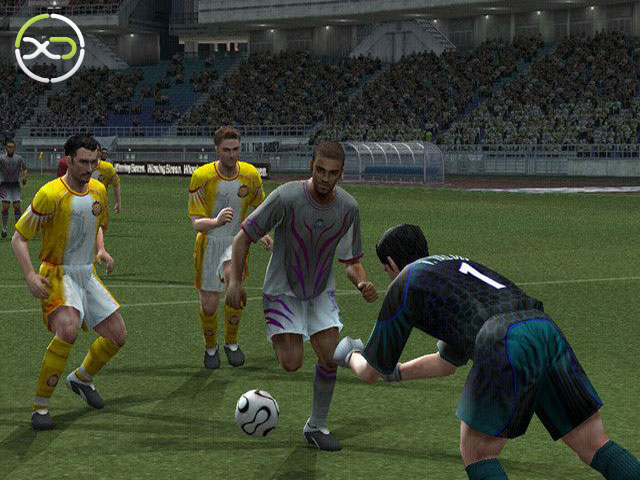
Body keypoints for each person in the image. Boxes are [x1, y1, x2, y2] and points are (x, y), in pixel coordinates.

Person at [334, 224, 640, 479]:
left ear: (390, 263)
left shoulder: (406, 281)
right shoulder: (453, 267)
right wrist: (398, 373)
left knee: (478, 453)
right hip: (543, 328)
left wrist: (349, 354)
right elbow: (446, 363)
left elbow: (370, 372)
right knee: (593, 443)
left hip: (501, 338)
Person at [227, 140, 378, 451]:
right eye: (320, 170)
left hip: (321, 290)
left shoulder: (348, 208)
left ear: (341, 174)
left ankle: (316, 426)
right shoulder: (286, 196)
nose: (325, 178)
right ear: (311, 166)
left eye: (332, 173)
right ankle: (347, 348)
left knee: (328, 358)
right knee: (292, 363)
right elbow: (243, 238)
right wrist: (235, 282)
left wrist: (362, 282)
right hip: (282, 290)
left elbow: (351, 262)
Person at [11, 134, 127, 431]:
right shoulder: (50, 194)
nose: (89, 168)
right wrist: (30, 275)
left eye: (93, 162)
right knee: (68, 328)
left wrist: (101, 249)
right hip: (57, 272)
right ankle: (40, 406)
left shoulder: (98, 190)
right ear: (70, 160)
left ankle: (82, 379)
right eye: (83, 162)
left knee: (117, 336)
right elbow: (19, 238)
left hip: (86, 272)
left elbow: (98, 224)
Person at [188, 126, 271, 369]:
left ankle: (231, 343)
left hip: (236, 242)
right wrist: (216, 221)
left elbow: (260, 208)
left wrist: (262, 232)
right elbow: (196, 222)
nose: (232, 155)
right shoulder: (202, 177)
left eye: (236, 149)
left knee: (234, 293)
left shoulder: (250, 175)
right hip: (209, 243)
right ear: (217, 149)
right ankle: (211, 348)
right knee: (209, 306)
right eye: (226, 150)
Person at [57, 146, 122, 214]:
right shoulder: (79, 166)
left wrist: (118, 202)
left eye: (96, 150)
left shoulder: (107, 168)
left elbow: (116, 183)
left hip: (99, 203)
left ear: (100, 153)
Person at [0, 139, 27, 239]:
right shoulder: (2, 158)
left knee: (17, 207)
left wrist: (24, 177)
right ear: (6, 148)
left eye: (12, 147)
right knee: (5, 207)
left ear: (14, 148)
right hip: (5, 185)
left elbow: (24, 168)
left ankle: (17, 230)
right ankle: (4, 228)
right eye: (9, 147)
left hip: (15, 184)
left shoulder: (19, 158)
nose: (10, 149)